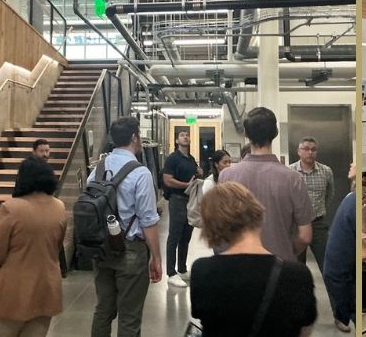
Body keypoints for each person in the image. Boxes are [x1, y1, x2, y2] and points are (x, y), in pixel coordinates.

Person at [189, 182, 316, 337]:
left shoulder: (202, 272)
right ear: (258, 214)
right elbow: (304, 330)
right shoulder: (297, 275)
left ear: (212, 226)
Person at [89, 117, 162, 337]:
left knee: (103, 310)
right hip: (130, 250)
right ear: (134, 137)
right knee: (129, 317)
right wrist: (156, 258)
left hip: (102, 248)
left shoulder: (98, 169)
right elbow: (148, 221)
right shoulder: (140, 173)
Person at [219, 107, 313, 262]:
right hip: (280, 267)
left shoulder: (227, 176)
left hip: (238, 267)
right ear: (275, 133)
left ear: (246, 134)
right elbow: (305, 236)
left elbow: (220, 229)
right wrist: (286, 251)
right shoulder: (293, 179)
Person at [0, 158, 67, 337]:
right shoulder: (59, 207)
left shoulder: (11, 208)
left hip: (13, 289)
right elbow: (57, 245)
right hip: (47, 288)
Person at [289, 137, 334, 271]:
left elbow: (329, 195)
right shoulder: (289, 172)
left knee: (326, 264)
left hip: (318, 224)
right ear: (299, 151)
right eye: (306, 149)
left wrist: (319, 210)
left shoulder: (326, 171)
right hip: (295, 225)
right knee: (296, 266)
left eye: (313, 149)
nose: (310, 152)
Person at [162, 131, 199, 288]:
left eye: (187, 135)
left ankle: (182, 269)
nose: (185, 137)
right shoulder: (172, 158)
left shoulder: (191, 159)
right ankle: (171, 272)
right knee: (175, 236)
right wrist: (186, 185)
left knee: (186, 235)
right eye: (182, 135)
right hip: (177, 200)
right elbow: (167, 181)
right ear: (177, 140)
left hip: (189, 200)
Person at [322, 188, 355, 333]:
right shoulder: (351, 200)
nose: (351, 166)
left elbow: (333, 272)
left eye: (354, 164)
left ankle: (341, 316)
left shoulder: (352, 201)